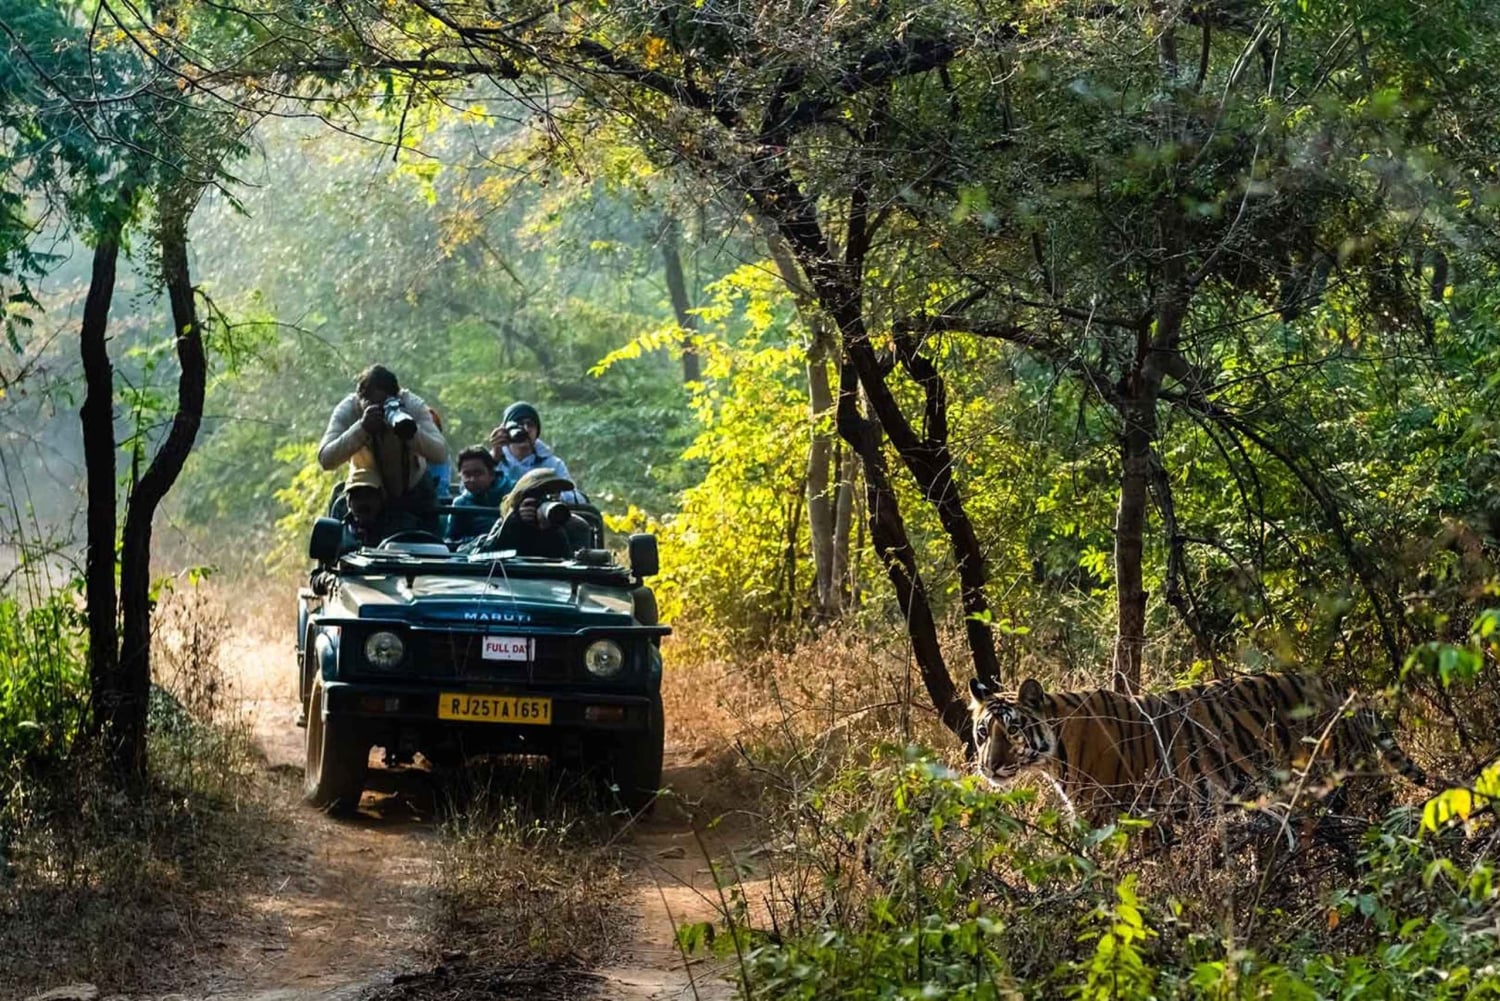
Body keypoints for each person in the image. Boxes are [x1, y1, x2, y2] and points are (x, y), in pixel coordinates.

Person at [319, 364, 447, 532]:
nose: (379, 409)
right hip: (365, 492)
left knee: (427, 543)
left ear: (397, 395)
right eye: (372, 403)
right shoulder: (349, 409)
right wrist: (361, 428)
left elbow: (440, 453)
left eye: (384, 403)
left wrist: (410, 433)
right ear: (360, 399)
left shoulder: (411, 405)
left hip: (413, 488)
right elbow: (326, 459)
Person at [473, 468, 592, 559]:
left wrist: (552, 528)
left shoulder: (575, 526)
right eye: (540, 495)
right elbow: (486, 559)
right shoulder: (509, 523)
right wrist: (515, 522)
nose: (548, 500)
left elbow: (573, 569)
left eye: (554, 494)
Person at [487, 401, 582, 501]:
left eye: (530, 424)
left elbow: (577, 498)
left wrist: (557, 495)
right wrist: (493, 461)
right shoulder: (494, 460)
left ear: (537, 431)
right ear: (506, 430)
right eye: (518, 425)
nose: (525, 429)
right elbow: (474, 491)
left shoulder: (552, 464)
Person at [444, 445, 511, 543]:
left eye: (478, 473)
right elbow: (451, 540)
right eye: (466, 475)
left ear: (491, 474)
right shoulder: (460, 504)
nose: (472, 480)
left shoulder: (512, 495)